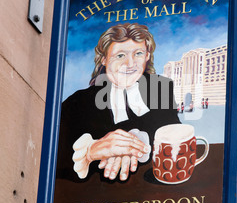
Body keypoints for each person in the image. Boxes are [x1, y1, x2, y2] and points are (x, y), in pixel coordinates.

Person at [56, 23, 181, 183]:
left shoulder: (161, 88)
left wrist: (131, 147)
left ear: (147, 56)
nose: (130, 64)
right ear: (104, 60)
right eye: (120, 55)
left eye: (138, 53)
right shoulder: (77, 103)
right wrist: (90, 152)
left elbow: (173, 137)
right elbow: (52, 157)